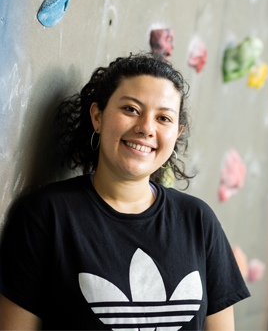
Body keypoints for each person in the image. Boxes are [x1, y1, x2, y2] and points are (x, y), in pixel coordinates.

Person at [0, 53, 250, 330]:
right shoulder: (47, 215)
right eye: (131, 109)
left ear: (176, 134)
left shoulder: (198, 220)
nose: (146, 128)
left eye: (163, 118)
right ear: (98, 116)